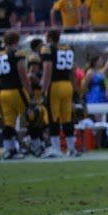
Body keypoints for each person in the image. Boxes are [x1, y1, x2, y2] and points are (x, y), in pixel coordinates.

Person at [40, 29, 76, 157]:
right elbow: (72, 70)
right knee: (67, 118)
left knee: (53, 118)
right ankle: (72, 148)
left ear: (49, 37)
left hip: (54, 85)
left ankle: (56, 149)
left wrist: (42, 89)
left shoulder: (47, 49)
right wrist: (75, 88)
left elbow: (47, 70)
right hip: (67, 85)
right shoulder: (68, 48)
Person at [0, 31, 31, 158]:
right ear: (16, 40)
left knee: (9, 123)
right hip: (17, 90)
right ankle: (37, 147)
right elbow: (23, 73)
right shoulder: (18, 53)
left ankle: (9, 150)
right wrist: (29, 90)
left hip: (3, 92)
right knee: (32, 116)